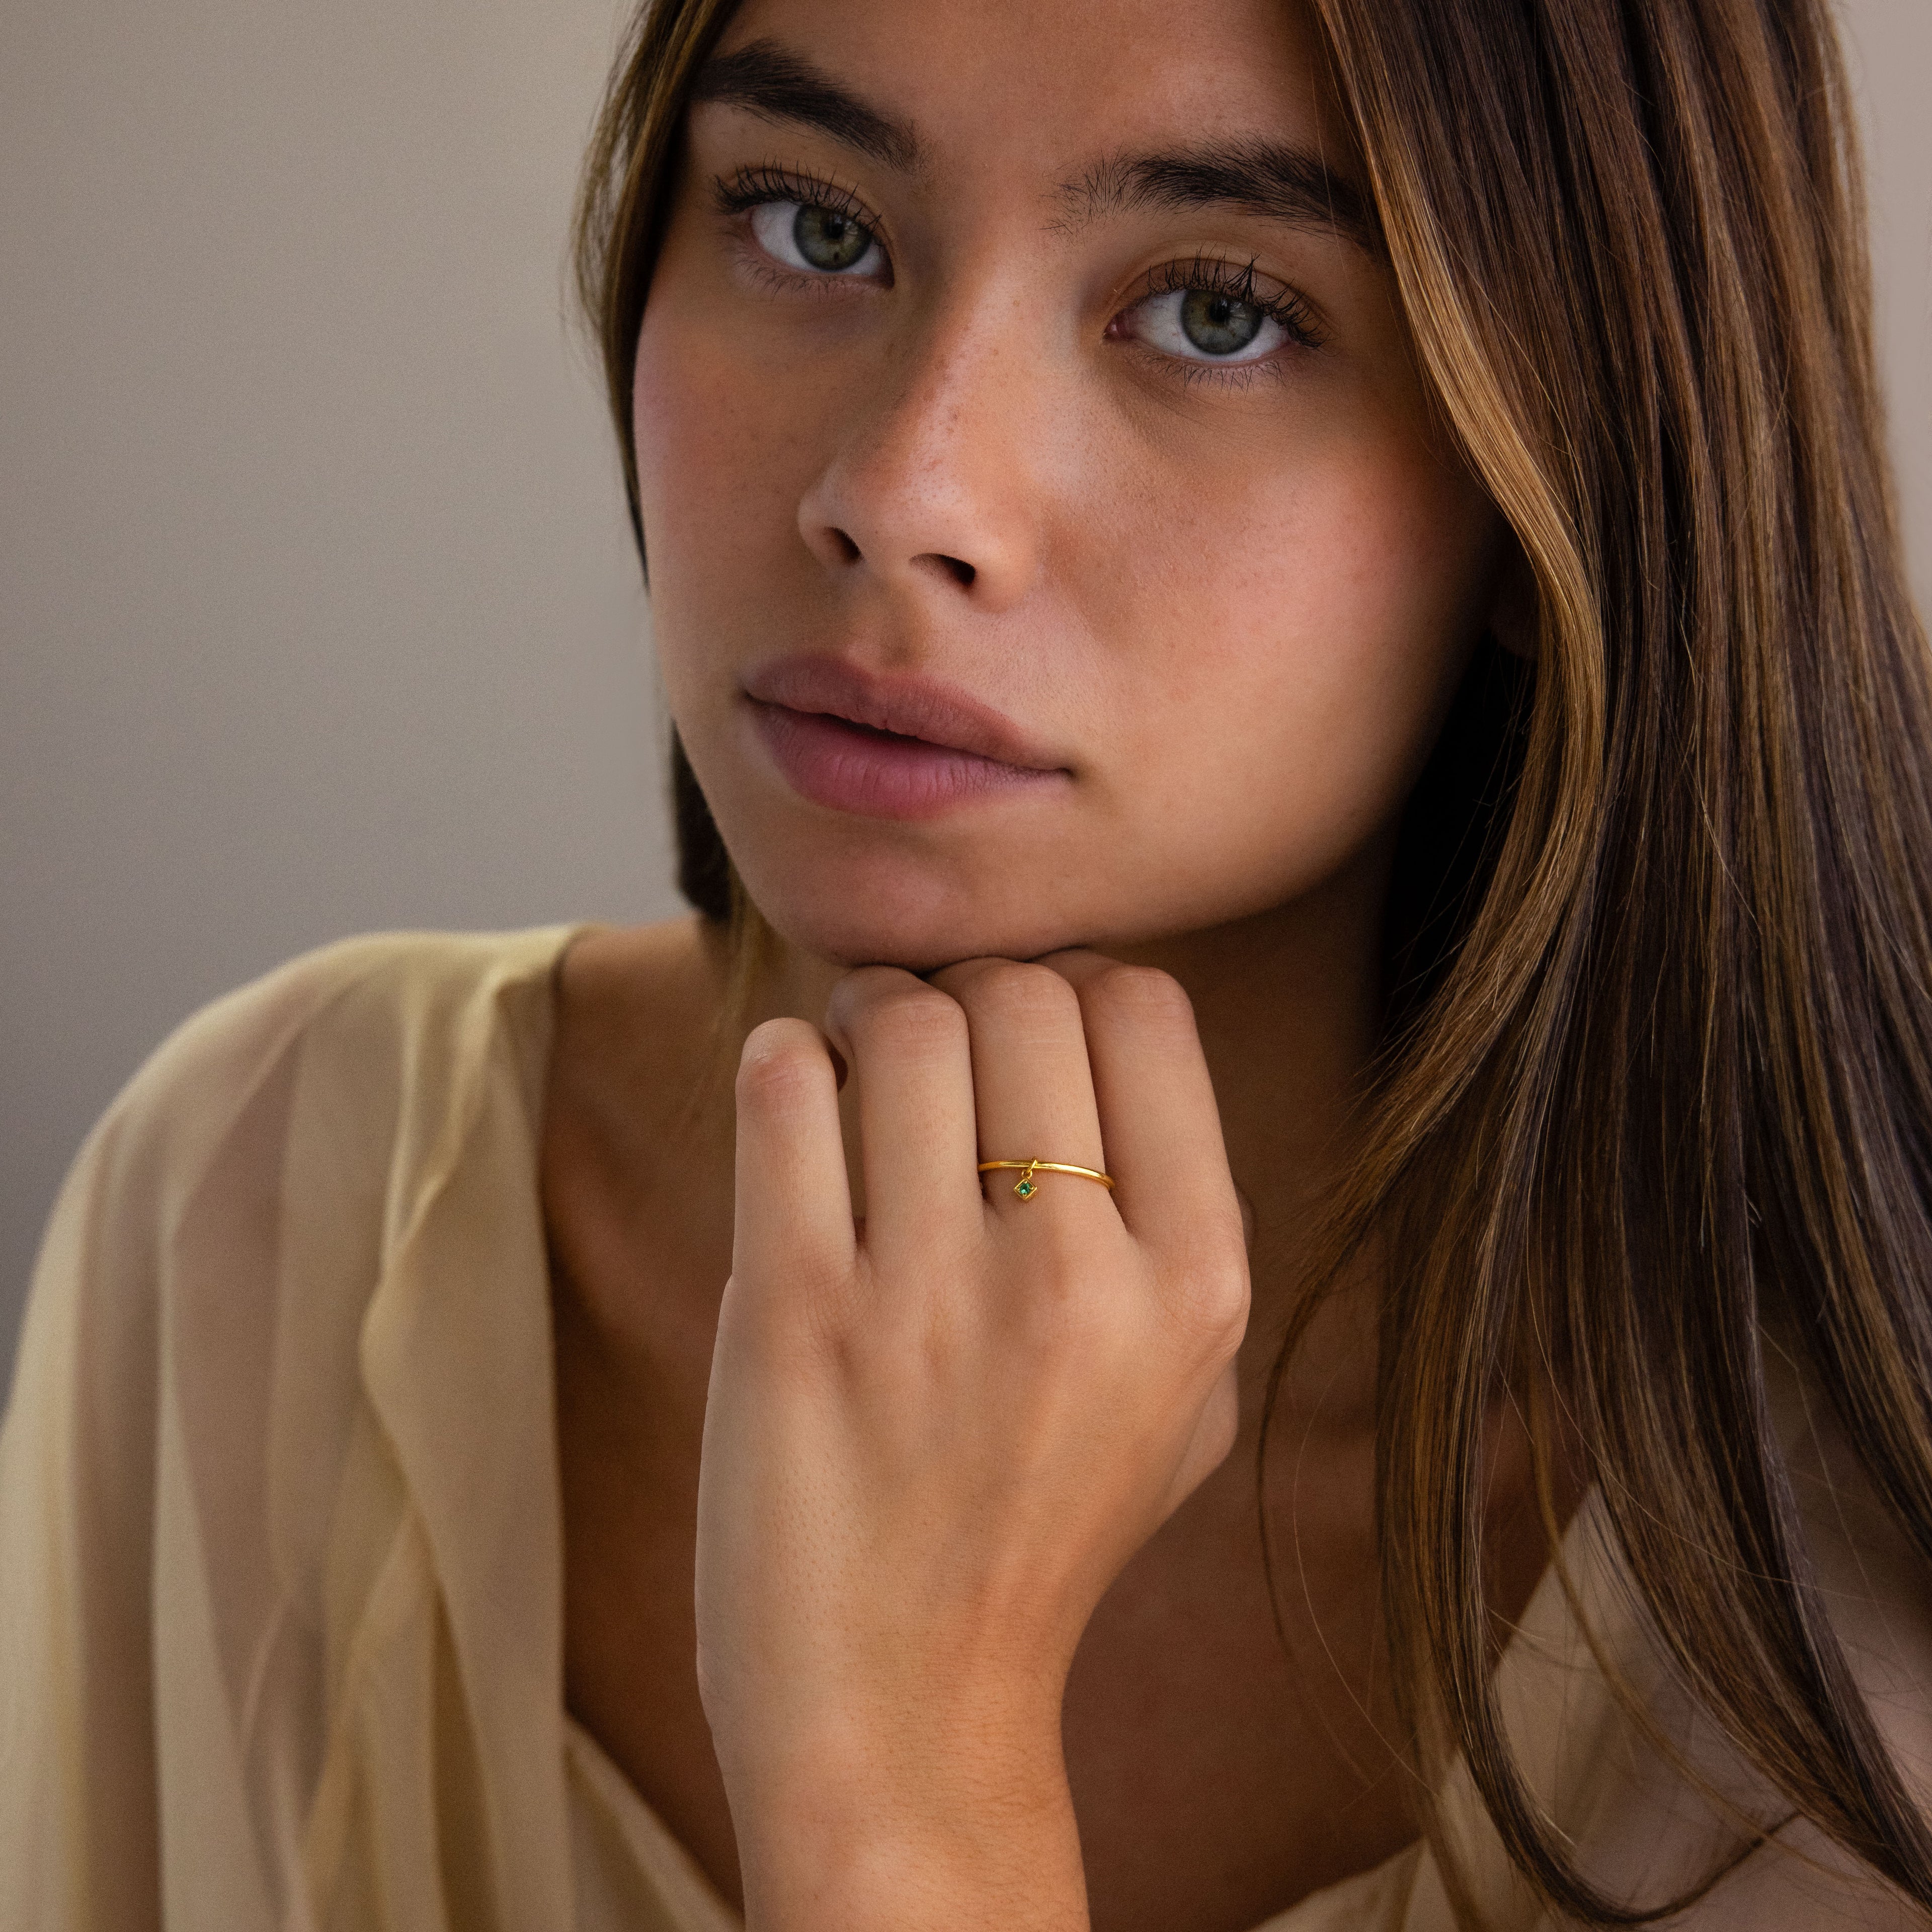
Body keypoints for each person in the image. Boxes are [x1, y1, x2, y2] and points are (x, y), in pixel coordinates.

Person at [4, 0, 1929, 1924]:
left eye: (1217, 312)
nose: (903, 488)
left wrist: (907, 1791)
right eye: (811, 224)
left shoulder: (1857, 1581)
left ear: (1568, 478)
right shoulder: (273, 1207)